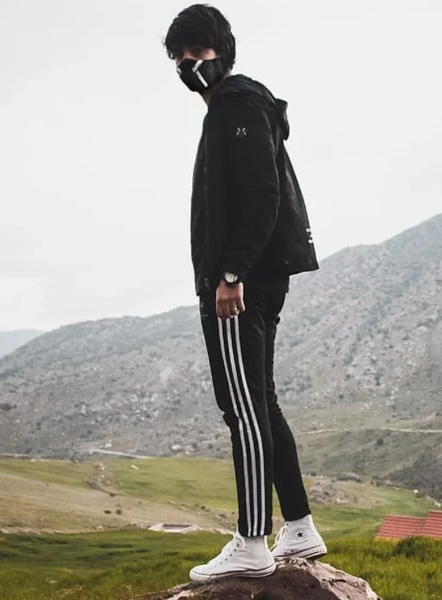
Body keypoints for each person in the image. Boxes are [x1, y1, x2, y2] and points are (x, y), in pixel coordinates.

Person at [163, 3, 327, 584]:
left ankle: (252, 540)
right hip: (255, 278)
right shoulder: (240, 107)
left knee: (244, 410)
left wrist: (229, 275)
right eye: (179, 57)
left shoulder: (235, 106)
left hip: (240, 283)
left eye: (197, 52)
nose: (188, 64)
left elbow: (261, 195)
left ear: (222, 52)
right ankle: (300, 527)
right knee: (263, 402)